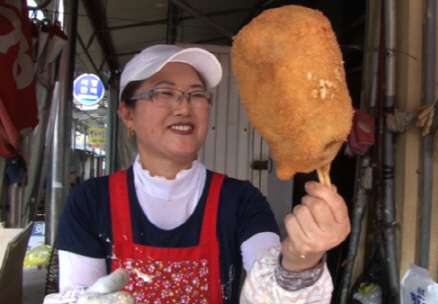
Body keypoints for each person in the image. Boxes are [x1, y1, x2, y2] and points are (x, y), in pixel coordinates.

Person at [43, 44, 350, 304]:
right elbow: (76, 292)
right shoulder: (91, 201)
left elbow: (270, 290)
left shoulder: (241, 201)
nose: (184, 108)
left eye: (197, 95)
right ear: (127, 114)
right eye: (164, 93)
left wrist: (300, 258)